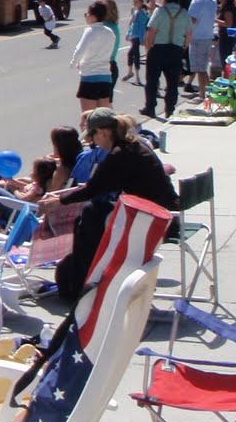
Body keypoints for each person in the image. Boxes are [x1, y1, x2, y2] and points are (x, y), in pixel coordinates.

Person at [42, 109, 178, 301]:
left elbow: (93, 188)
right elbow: (100, 185)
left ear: (103, 132)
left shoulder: (120, 155)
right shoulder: (134, 146)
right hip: (160, 213)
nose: (93, 142)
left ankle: (81, 284)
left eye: (93, 137)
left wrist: (59, 201)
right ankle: (87, 277)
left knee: (90, 215)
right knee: (92, 214)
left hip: (156, 220)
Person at [142, 0, 194, 122]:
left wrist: (148, 48)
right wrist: (183, 47)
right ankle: (170, 109)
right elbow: (189, 34)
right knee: (172, 82)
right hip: (175, 49)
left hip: (158, 48)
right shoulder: (184, 13)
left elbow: (151, 31)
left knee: (152, 80)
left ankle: (150, 107)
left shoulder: (159, 11)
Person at [69, 0, 121, 113]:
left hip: (90, 77)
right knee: (104, 116)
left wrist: (74, 63)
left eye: (87, 14)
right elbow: (110, 51)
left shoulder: (90, 31)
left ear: (93, 17)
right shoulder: (110, 32)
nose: (85, 16)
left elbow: (80, 50)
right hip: (105, 77)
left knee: (88, 116)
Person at [184, 0, 218, 94]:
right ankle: (209, 93)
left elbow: (192, 19)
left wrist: (185, 33)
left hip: (197, 36)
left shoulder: (196, 0)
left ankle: (203, 95)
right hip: (208, 35)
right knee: (202, 67)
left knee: (199, 68)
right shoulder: (212, 1)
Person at [125, 0, 150, 86]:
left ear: (141, 3)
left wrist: (141, 38)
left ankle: (137, 77)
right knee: (130, 54)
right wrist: (128, 33)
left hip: (137, 36)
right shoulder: (136, 11)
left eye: (136, 1)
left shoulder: (142, 13)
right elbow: (133, 25)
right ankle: (130, 72)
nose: (134, 3)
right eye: (134, 1)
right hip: (134, 35)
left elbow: (142, 27)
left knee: (135, 55)